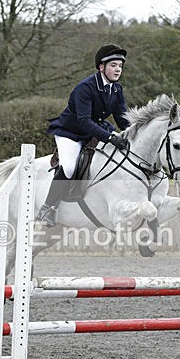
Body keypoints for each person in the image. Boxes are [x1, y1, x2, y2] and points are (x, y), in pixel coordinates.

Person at [37, 44, 131, 227]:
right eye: (113, 65)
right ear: (101, 67)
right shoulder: (85, 88)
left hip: (96, 129)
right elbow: (83, 121)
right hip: (71, 133)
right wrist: (111, 137)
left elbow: (123, 120)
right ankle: (48, 207)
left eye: (120, 65)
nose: (118, 69)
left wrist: (135, 133)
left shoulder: (117, 90)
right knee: (70, 167)